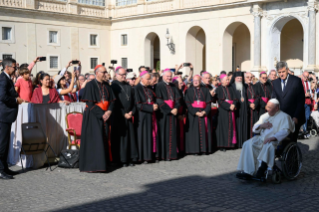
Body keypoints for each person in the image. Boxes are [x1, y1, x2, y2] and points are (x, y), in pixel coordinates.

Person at [236, 99, 295, 179]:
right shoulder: (264, 116)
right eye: (267, 107)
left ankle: (261, 170)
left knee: (268, 145)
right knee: (248, 143)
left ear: (276, 108)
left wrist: (273, 137)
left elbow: (285, 131)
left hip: (276, 140)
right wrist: (261, 126)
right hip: (262, 138)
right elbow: (254, 128)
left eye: (269, 107)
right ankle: (248, 171)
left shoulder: (284, 117)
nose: (267, 109)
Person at [79, 65, 115, 172]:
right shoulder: (90, 85)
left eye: (106, 72)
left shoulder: (107, 86)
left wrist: (108, 112)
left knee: (104, 140)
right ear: (97, 73)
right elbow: (90, 103)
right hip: (93, 116)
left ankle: (104, 164)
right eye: (104, 72)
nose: (106, 74)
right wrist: (102, 114)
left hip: (105, 115)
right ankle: (93, 165)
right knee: (94, 140)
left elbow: (113, 101)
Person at [0, 58, 24, 179]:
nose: (16, 69)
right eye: (14, 67)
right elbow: (2, 96)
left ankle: (4, 168)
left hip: (7, 116)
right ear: (7, 67)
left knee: (5, 143)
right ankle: (0, 170)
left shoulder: (7, 78)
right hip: (3, 116)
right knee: (2, 144)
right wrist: (16, 100)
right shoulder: (3, 79)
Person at [111, 67, 138, 167]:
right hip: (118, 116)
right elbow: (115, 102)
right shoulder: (114, 86)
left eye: (124, 75)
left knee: (130, 138)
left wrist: (132, 112)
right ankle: (121, 159)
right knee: (121, 139)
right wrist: (123, 113)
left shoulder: (128, 86)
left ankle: (130, 158)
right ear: (116, 74)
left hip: (129, 115)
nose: (123, 76)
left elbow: (135, 101)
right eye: (122, 75)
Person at [272, 62, 305, 141]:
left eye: (283, 71)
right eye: (279, 72)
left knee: (292, 141)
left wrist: (296, 116)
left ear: (287, 70)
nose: (281, 74)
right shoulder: (275, 83)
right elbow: (274, 99)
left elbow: (300, 100)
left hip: (294, 117)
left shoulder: (296, 81)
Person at [155, 69, 181, 161]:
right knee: (163, 134)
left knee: (172, 133)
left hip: (173, 112)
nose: (169, 78)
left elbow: (178, 99)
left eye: (170, 76)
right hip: (164, 114)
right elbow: (158, 100)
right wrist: (169, 110)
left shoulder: (173, 86)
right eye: (167, 76)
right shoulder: (159, 85)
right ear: (163, 76)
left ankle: (171, 154)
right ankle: (164, 155)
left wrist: (176, 108)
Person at [134, 71, 159, 162]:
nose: (150, 81)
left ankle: (150, 156)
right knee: (143, 137)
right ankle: (143, 157)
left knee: (151, 135)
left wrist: (155, 105)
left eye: (150, 79)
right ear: (142, 79)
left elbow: (153, 99)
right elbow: (137, 104)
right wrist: (151, 107)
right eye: (148, 79)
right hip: (142, 116)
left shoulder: (150, 89)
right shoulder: (137, 88)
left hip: (151, 115)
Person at [185, 75, 212, 154]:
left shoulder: (205, 90)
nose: (195, 82)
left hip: (203, 113)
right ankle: (195, 150)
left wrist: (204, 112)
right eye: (194, 80)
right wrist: (195, 112)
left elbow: (209, 103)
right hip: (193, 114)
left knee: (204, 131)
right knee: (194, 132)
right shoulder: (189, 90)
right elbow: (187, 104)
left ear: (200, 81)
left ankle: (204, 149)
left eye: (197, 80)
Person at [215, 74, 238, 150]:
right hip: (223, 111)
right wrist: (229, 106)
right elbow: (219, 100)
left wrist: (233, 105)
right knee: (223, 128)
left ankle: (231, 144)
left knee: (231, 127)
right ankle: (223, 145)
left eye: (228, 79)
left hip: (231, 110)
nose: (228, 81)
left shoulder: (231, 88)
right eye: (227, 79)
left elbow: (235, 98)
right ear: (221, 81)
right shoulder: (218, 89)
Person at [230, 72, 248, 147]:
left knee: (244, 125)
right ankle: (237, 143)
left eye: (241, 78)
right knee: (237, 125)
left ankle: (243, 141)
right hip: (237, 109)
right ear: (234, 79)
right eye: (238, 78)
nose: (239, 80)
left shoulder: (244, 86)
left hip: (244, 108)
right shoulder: (232, 86)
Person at [245, 72, 260, 138]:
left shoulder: (254, 86)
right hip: (247, 108)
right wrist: (249, 104)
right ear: (244, 78)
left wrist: (255, 103)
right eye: (248, 77)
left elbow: (258, 96)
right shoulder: (243, 87)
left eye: (251, 77)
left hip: (254, 107)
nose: (249, 79)